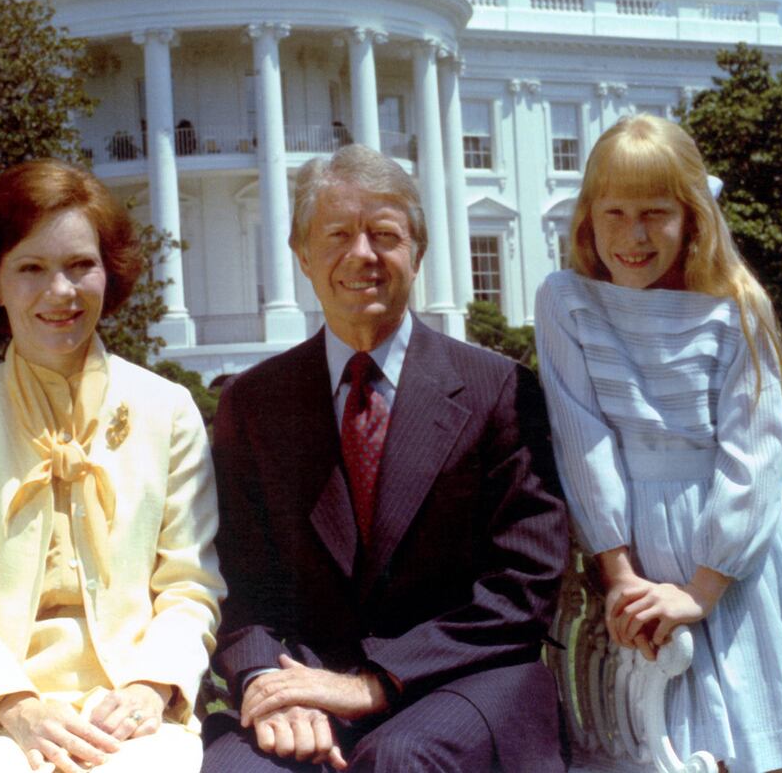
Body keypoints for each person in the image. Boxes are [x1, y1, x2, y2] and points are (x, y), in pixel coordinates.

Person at [203, 145, 570, 772]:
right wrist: (269, 681)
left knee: (399, 759)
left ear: (417, 252)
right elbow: (236, 583)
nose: (362, 254)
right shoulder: (252, 402)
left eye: (385, 235)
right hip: (306, 684)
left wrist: (374, 684)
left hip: (468, 678)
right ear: (302, 255)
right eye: (338, 235)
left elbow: (524, 585)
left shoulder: (501, 390)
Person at [533, 115, 782, 773]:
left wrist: (701, 591)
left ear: (692, 216)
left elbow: (754, 456)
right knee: (649, 743)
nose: (632, 236)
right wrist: (621, 578)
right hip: (627, 552)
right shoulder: (565, 301)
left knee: (732, 745)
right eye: (615, 212)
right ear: (588, 217)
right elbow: (582, 440)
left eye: (655, 214)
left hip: (728, 557)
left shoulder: (735, 306)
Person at [0, 159, 225, 773]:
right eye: (31, 268)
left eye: (81, 265)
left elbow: (190, 585)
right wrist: (16, 705)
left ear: (110, 272)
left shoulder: (168, 411)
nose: (61, 292)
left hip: (129, 707)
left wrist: (151, 688)